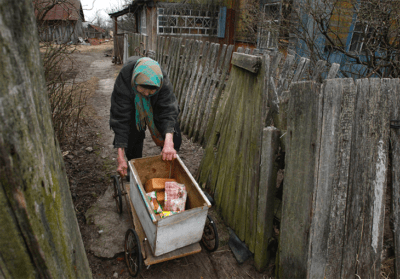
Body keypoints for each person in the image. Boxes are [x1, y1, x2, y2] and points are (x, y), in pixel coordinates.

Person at [110, 56, 181, 179]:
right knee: (133, 136)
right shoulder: (125, 79)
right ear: (135, 81)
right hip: (133, 103)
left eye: (151, 90)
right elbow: (120, 119)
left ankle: (166, 162)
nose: (147, 94)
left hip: (156, 104)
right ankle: (136, 167)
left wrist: (168, 143)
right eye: (143, 88)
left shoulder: (161, 81)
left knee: (174, 136)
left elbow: (168, 111)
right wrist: (120, 157)